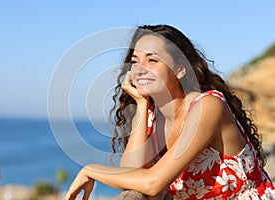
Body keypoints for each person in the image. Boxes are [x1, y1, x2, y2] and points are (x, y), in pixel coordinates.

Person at [65, 24, 275, 200]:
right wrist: (141, 104)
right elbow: (129, 175)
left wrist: (91, 169)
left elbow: (154, 183)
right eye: (135, 61)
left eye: (152, 60)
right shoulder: (151, 114)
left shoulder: (208, 106)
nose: (139, 69)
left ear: (181, 69)